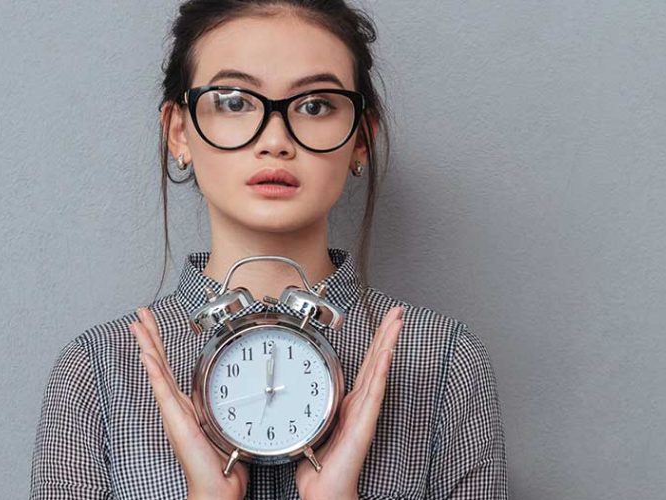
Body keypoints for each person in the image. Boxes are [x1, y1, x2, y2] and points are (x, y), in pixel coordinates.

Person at [30, 1, 507, 498]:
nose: (275, 140)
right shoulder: (99, 370)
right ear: (179, 132)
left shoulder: (442, 360)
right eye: (234, 102)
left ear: (361, 139)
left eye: (315, 105)